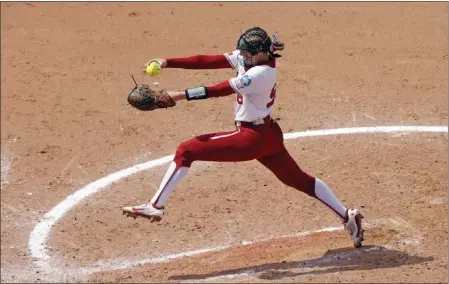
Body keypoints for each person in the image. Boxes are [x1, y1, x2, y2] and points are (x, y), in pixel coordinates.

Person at [122, 27, 364, 247]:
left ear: (260, 53)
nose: (242, 56)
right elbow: (209, 61)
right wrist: (167, 62)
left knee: (188, 150)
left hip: (252, 138)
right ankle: (347, 216)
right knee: (298, 179)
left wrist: (177, 95)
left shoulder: (260, 73)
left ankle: (155, 206)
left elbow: (219, 89)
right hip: (269, 135)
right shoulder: (252, 56)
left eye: (247, 53)